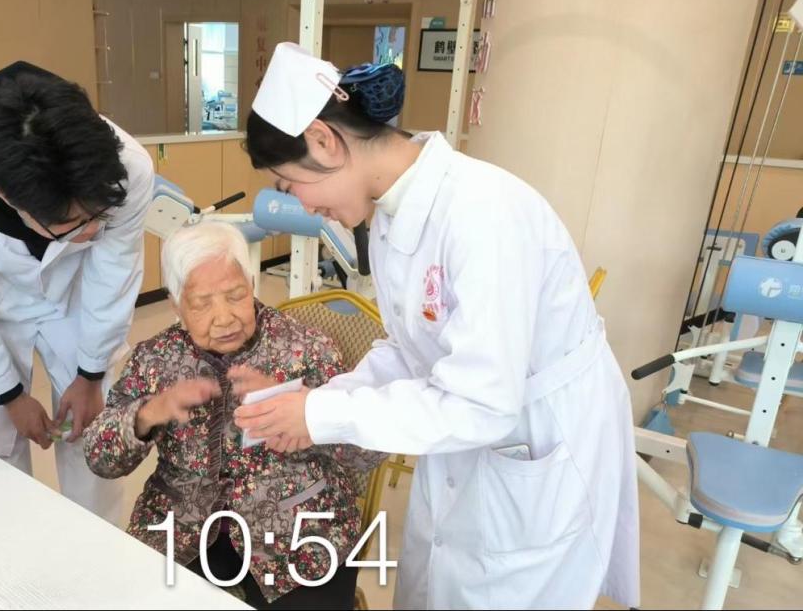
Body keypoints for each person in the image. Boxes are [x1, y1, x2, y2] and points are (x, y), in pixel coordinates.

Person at [233, 42, 640, 609]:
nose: (300, 204)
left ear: (324, 141)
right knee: (438, 578)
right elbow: (408, 348)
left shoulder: (484, 214)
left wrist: (324, 415)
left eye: (288, 184)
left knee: (497, 589)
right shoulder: (389, 213)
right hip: (467, 439)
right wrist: (319, 405)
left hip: (533, 434)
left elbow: (483, 402)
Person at [0, 61, 153, 523]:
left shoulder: (127, 166)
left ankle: (97, 547)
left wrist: (90, 373)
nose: (91, 231)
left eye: (97, 217)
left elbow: (113, 275)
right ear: (4, 195)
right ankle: (6, 548)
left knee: (92, 432)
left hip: (78, 296)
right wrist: (10, 396)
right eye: (73, 224)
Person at [84, 221, 385, 610]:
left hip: (299, 532)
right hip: (182, 527)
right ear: (176, 306)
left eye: (235, 295)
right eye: (202, 304)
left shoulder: (305, 348)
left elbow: (370, 451)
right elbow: (99, 458)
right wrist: (148, 413)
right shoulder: (154, 359)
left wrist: (308, 414)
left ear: (252, 284)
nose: (224, 317)